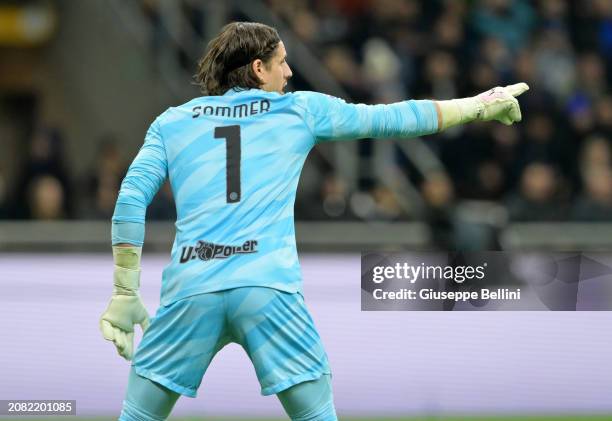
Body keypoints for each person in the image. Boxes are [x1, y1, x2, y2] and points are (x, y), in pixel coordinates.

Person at [100, 21, 528, 421]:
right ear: (258, 68)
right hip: (266, 289)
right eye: (282, 62)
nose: (288, 72)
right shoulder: (299, 111)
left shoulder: (171, 122)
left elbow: (130, 199)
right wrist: (476, 106)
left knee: (137, 416)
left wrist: (125, 288)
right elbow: (391, 119)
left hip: (192, 289)